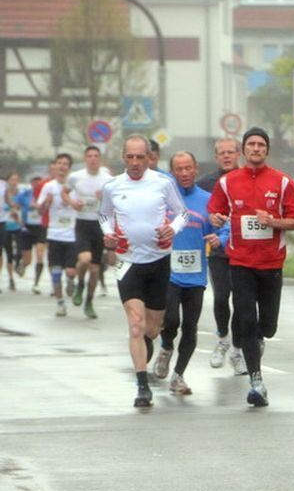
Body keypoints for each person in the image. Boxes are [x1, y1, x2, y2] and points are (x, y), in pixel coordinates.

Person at [207, 127, 294, 407]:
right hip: (240, 262)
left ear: (267, 150)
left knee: (268, 326)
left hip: (271, 263)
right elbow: (216, 211)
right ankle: (256, 382)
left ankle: (258, 340)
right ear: (243, 150)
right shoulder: (228, 182)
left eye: (261, 144)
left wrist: (274, 222)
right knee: (247, 319)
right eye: (250, 144)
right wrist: (215, 218)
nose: (255, 149)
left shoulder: (283, 182)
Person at [99, 135, 188, 408]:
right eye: (130, 157)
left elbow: (181, 213)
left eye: (141, 157)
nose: (135, 162)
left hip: (159, 261)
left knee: (151, 328)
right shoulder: (113, 186)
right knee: (135, 325)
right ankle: (142, 386)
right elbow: (103, 216)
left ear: (149, 158)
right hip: (128, 263)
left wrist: (171, 229)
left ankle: (148, 345)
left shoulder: (162, 183)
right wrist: (109, 235)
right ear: (123, 157)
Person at [152, 152, 224, 395]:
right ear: (172, 173)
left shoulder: (207, 199)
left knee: (190, 326)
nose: (184, 173)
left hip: (196, 275)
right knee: (171, 320)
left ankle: (178, 375)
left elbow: (222, 228)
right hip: (169, 272)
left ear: (195, 169)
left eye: (188, 168)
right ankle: (166, 347)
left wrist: (219, 238)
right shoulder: (163, 199)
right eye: (179, 169)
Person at [197, 137, 244, 374]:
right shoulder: (205, 184)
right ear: (216, 157)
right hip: (217, 251)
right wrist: (210, 218)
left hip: (244, 251)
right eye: (222, 153)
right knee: (221, 297)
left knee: (241, 300)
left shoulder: (247, 178)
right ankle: (223, 339)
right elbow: (196, 212)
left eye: (231, 152)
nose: (226, 156)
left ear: (239, 154)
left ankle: (237, 350)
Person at [64, 145, 113, 318]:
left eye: (96, 156)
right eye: (90, 156)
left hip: (99, 225)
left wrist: (105, 197)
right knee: (85, 259)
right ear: (85, 158)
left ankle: (89, 302)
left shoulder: (107, 179)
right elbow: (65, 193)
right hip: (82, 224)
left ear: (100, 159)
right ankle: (79, 285)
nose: (93, 159)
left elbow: (115, 201)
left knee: (94, 270)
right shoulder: (76, 176)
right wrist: (72, 203)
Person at [36, 154, 78, 316]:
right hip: (54, 235)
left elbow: (82, 206)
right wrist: (46, 203)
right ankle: (60, 303)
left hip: (72, 235)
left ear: (69, 167)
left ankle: (71, 280)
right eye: (59, 163)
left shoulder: (75, 186)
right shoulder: (49, 187)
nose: (62, 166)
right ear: (55, 166)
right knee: (55, 273)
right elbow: (40, 210)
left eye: (65, 164)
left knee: (70, 271)